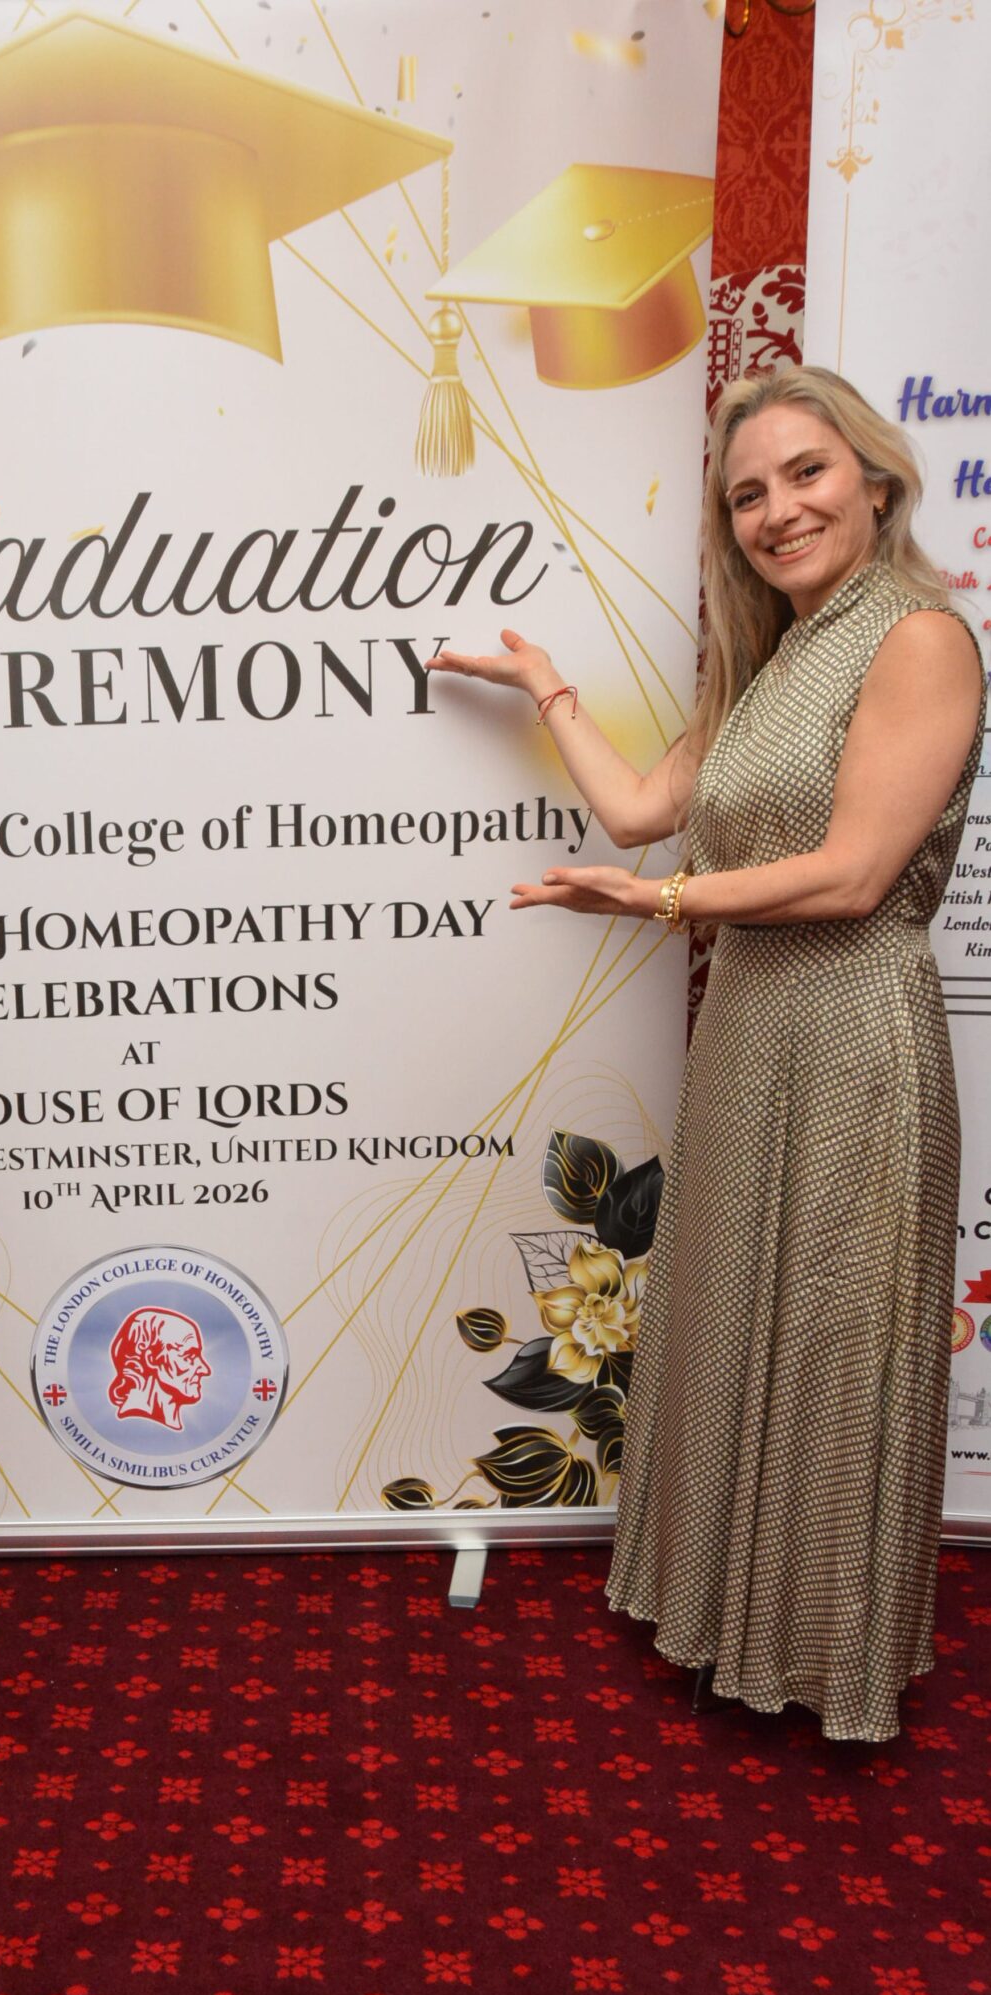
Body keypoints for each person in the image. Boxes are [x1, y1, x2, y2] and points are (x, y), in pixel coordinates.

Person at [427, 365, 984, 1743]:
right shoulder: (766, 660)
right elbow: (635, 811)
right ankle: (724, 1620)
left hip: (854, 1034)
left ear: (876, 482)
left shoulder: (919, 636)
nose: (777, 510)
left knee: (835, 1341)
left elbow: (855, 873)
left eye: (806, 474)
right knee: (735, 1319)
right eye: (747, 495)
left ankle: (824, 1655)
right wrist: (548, 685)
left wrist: (661, 902)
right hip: (747, 1029)